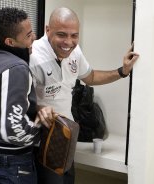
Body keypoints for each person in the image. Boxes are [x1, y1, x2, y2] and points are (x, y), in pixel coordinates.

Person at [29, 7, 140, 184]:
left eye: (74, 35)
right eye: (62, 34)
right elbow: (21, 100)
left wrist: (122, 71)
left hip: (67, 133)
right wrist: (39, 108)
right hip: (44, 137)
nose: (69, 42)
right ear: (47, 30)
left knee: (68, 180)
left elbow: (91, 77)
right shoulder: (33, 56)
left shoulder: (75, 51)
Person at [0, 7, 53, 184]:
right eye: (28, 35)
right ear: (10, 42)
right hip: (12, 162)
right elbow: (13, 130)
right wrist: (41, 132)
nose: (33, 38)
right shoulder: (16, 68)